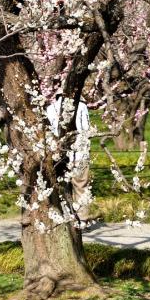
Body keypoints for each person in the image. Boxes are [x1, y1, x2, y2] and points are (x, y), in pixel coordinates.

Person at [46, 92, 96, 222]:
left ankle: (66, 216)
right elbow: (86, 129)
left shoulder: (50, 109)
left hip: (59, 155)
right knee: (81, 187)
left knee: (62, 186)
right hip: (80, 153)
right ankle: (83, 218)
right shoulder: (81, 106)